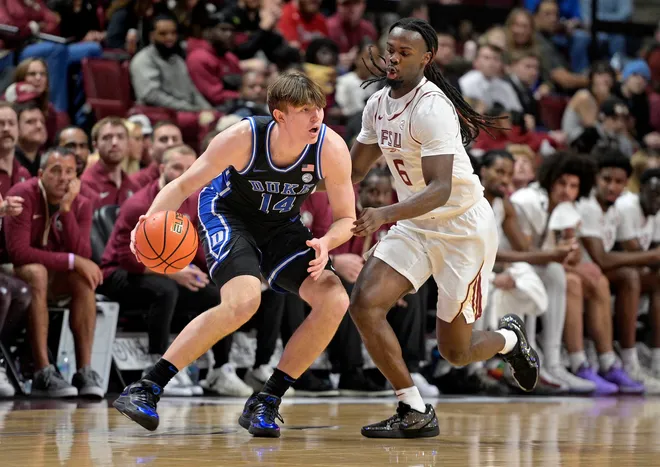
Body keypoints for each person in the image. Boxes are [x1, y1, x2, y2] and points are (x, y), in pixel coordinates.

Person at [328, 18, 539, 438]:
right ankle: (413, 408)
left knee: (455, 352)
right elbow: (351, 171)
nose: (393, 57)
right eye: (390, 48)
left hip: (462, 230)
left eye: (404, 52)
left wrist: (384, 214)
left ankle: (509, 340)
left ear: (426, 59)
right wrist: (297, 182)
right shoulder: (376, 105)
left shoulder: (432, 107)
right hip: (414, 225)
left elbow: (441, 189)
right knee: (365, 305)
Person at [113, 71, 355, 437]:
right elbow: (181, 185)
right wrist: (148, 223)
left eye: (319, 108)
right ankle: (147, 386)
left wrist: (326, 243)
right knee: (244, 301)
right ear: (280, 116)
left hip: (281, 223)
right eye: (305, 110)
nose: (316, 117)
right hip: (229, 214)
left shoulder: (330, 148)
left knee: (334, 298)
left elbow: (347, 218)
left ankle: (267, 399)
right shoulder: (242, 138)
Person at [5, 147, 104, 398]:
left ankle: (84, 370)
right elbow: (19, 253)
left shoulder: (81, 202)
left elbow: (82, 252)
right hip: (15, 273)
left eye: (70, 172)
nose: (63, 178)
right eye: (56, 171)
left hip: (53, 275)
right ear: (40, 174)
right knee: (38, 271)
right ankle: (43, 372)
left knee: (83, 280)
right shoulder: (23, 194)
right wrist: (72, 261)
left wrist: (67, 209)